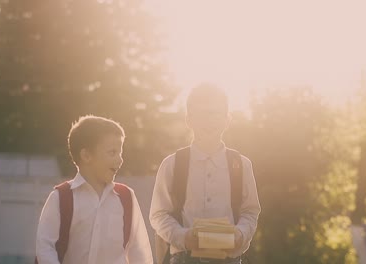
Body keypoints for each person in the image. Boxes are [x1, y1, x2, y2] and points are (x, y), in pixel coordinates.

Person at [150, 84, 261, 264]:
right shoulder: (172, 164)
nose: (209, 121)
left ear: (227, 120)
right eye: (201, 114)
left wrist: (240, 234)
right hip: (184, 259)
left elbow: (250, 211)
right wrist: (183, 237)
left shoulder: (241, 165)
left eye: (215, 113)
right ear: (189, 120)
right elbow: (159, 214)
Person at [36, 115, 153, 264]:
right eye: (112, 152)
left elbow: (139, 252)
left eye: (120, 153)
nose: (120, 159)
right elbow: (45, 248)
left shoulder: (126, 197)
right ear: (86, 155)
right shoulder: (61, 198)